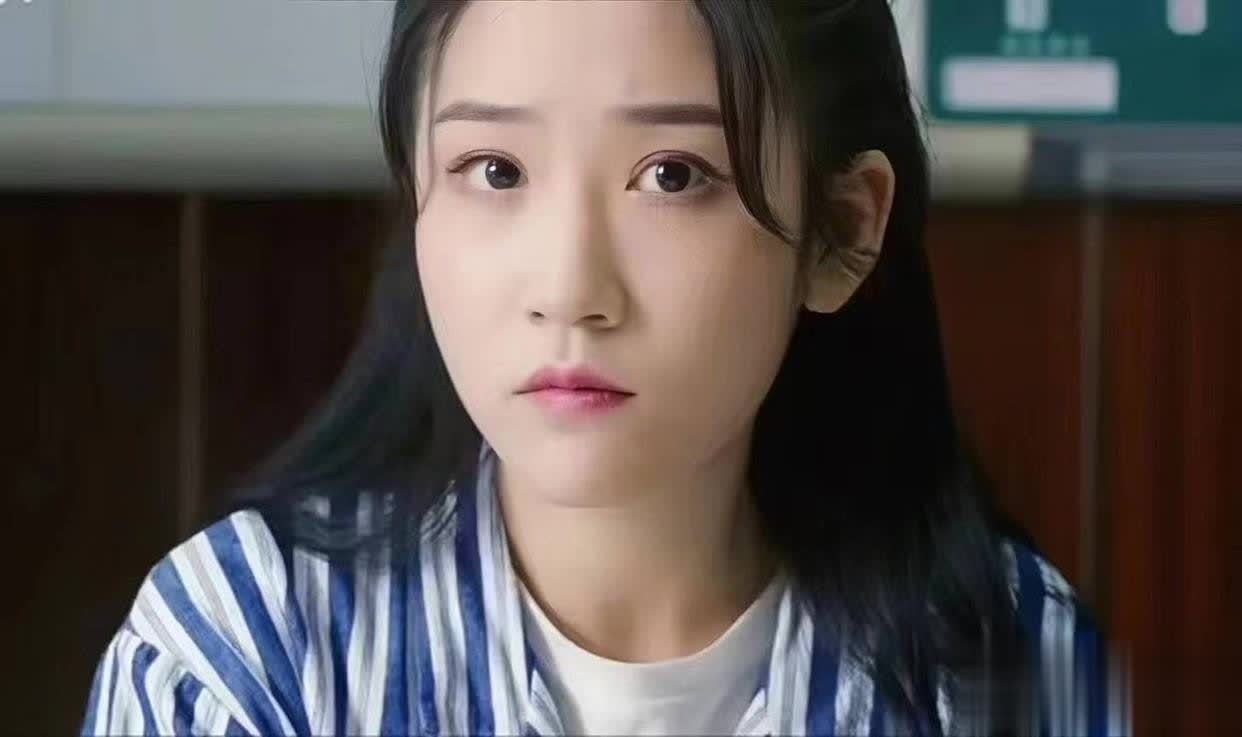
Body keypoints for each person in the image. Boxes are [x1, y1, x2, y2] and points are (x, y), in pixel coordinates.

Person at [80, 1, 1124, 735]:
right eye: (495, 170)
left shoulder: (1010, 669)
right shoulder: (245, 653)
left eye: (672, 175)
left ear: (841, 231)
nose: (570, 287)